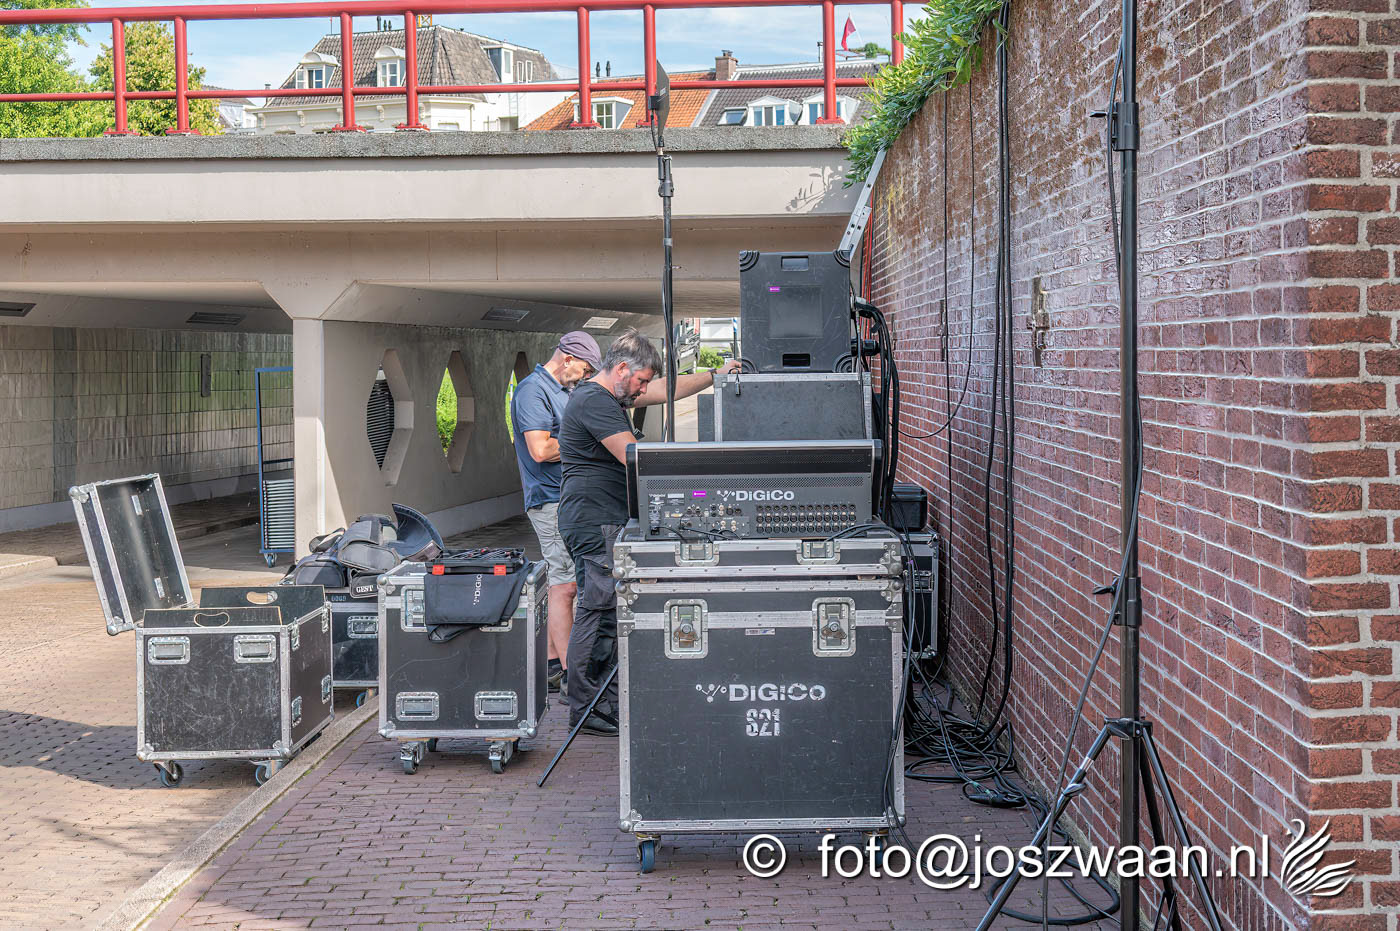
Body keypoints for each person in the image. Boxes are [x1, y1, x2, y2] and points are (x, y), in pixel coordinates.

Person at [557, 327, 740, 735]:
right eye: (639, 380)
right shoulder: (594, 400)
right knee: (598, 610)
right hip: (594, 520)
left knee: (607, 609)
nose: (642, 390)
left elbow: (663, 389)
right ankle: (587, 707)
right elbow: (633, 457)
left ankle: (604, 699)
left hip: (601, 517)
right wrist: (695, 477)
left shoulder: (609, 395)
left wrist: (715, 375)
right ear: (622, 368)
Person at [509, 331, 602, 696]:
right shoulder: (533, 391)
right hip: (550, 500)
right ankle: (571, 677)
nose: (586, 376)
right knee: (566, 586)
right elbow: (540, 449)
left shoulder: (564, 390)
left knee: (562, 582)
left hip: (564, 499)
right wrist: (588, 438)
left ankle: (551, 664)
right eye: (585, 369)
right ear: (567, 359)